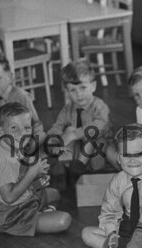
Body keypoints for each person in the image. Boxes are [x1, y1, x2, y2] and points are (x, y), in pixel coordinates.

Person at [0, 102, 71, 237]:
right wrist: (32, 172)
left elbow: (20, 171)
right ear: (1, 131)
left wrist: (37, 173)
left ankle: (43, 212)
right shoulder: (3, 159)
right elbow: (9, 197)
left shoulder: (11, 146)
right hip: (11, 214)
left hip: (25, 200)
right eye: (14, 128)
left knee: (55, 194)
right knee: (64, 220)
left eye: (26, 127)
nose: (22, 133)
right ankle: (40, 215)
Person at [47, 59, 114, 189]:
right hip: (77, 151)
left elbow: (101, 126)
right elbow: (57, 127)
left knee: (88, 134)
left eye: (83, 88)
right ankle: (65, 171)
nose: (79, 94)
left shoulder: (99, 106)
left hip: (98, 152)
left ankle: (78, 169)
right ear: (66, 91)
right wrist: (55, 141)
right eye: (72, 90)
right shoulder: (68, 109)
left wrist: (74, 135)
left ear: (93, 86)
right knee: (68, 130)